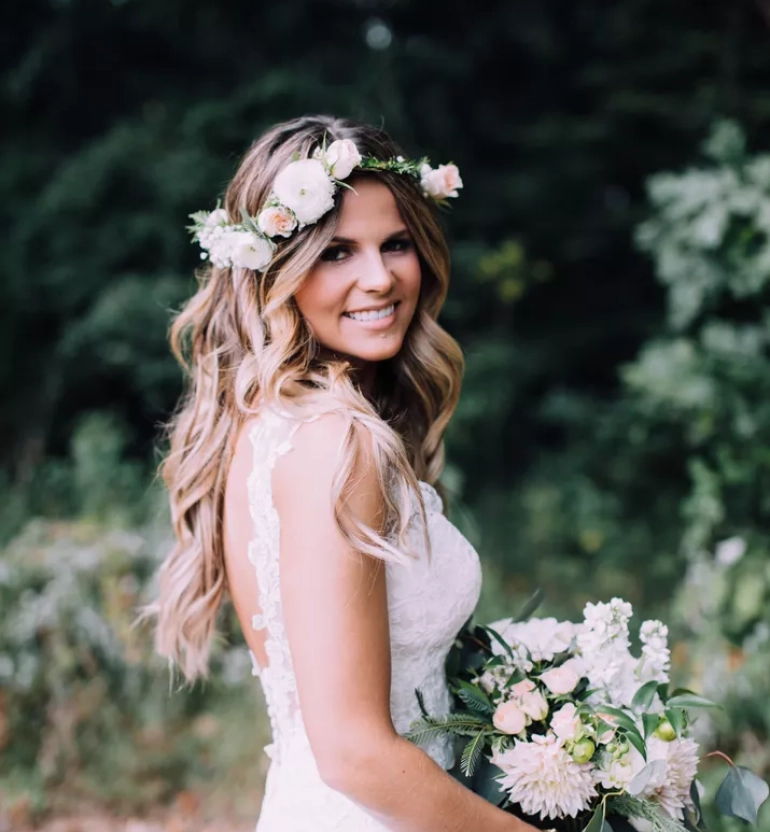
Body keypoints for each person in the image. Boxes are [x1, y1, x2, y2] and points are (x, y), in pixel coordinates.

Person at [151, 115, 537, 832]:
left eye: (396, 243)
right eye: (336, 252)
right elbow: (354, 752)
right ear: (276, 273)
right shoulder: (335, 443)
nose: (380, 276)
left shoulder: (270, 425)